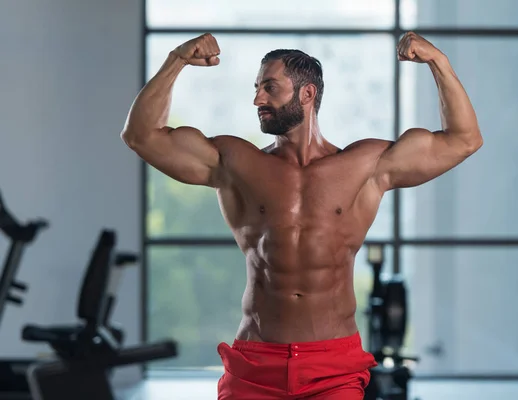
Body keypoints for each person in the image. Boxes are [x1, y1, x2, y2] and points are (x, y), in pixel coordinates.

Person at [120, 32, 483, 399]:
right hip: (255, 364)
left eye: (270, 88)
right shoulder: (237, 162)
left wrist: (438, 61)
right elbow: (141, 136)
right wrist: (175, 59)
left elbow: (464, 139)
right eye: (257, 88)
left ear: (307, 94)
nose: (257, 99)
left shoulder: (365, 165)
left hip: (332, 368)